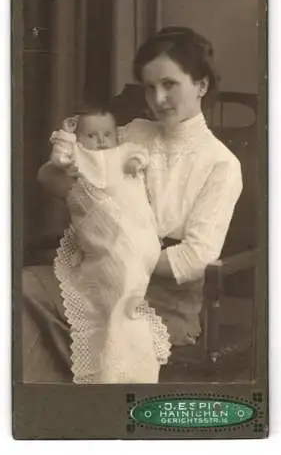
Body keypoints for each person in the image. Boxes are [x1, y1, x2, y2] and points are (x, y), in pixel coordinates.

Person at [28, 26, 242, 382]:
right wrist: (62, 161)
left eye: (170, 84)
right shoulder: (134, 132)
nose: (158, 98)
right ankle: (53, 416)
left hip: (161, 299)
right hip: (96, 273)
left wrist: (119, 255)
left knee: (106, 338)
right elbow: (52, 183)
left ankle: (91, 411)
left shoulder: (221, 163)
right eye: (149, 86)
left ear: (201, 85)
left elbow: (194, 259)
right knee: (21, 289)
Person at [43, 105, 170, 383]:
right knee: (114, 269)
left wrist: (136, 162)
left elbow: (140, 154)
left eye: (107, 134)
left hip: (135, 228)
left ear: (117, 136)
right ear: (80, 139)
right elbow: (57, 161)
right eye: (91, 135)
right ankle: (118, 344)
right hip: (102, 234)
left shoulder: (123, 153)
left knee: (132, 257)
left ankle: (125, 335)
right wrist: (67, 137)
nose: (101, 141)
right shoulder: (77, 157)